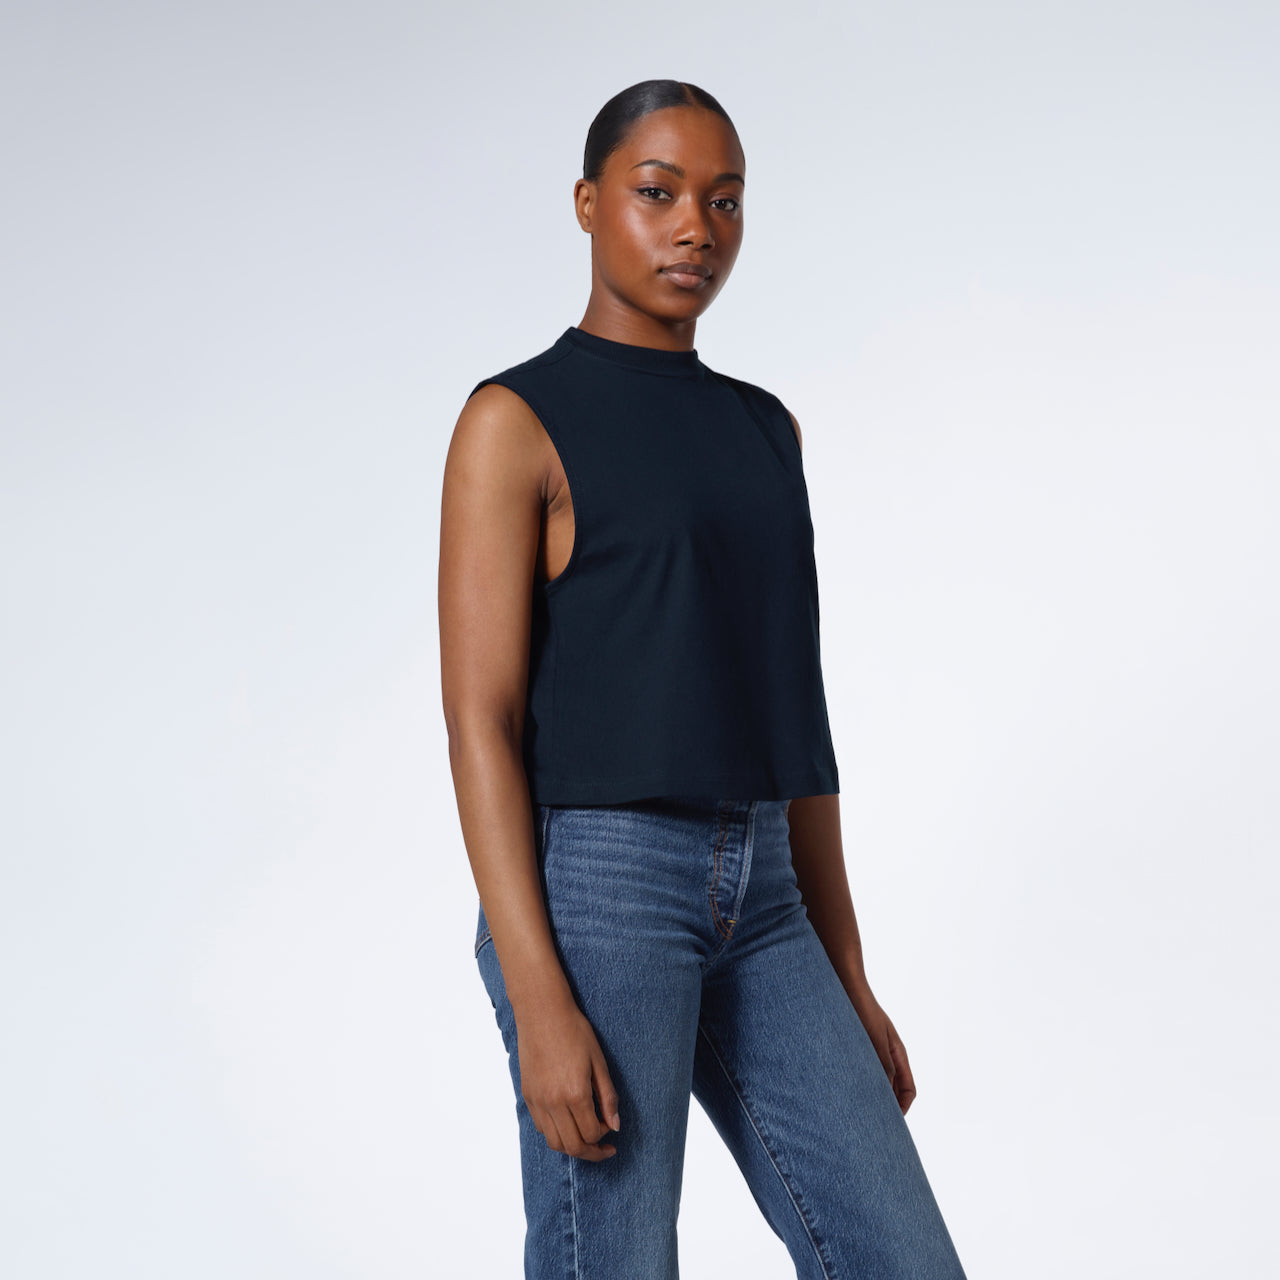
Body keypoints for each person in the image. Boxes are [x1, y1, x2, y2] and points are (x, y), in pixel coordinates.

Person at [438, 78, 968, 1280]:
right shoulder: (514, 420)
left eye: (723, 201)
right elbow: (480, 717)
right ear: (587, 203)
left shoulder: (762, 427)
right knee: (614, 1261)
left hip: (769, 889)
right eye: (658, 192)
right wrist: (537, 990)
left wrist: (846, 970)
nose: (696, 227)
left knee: (902, 1257)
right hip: (601, 888)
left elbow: (796, 715)